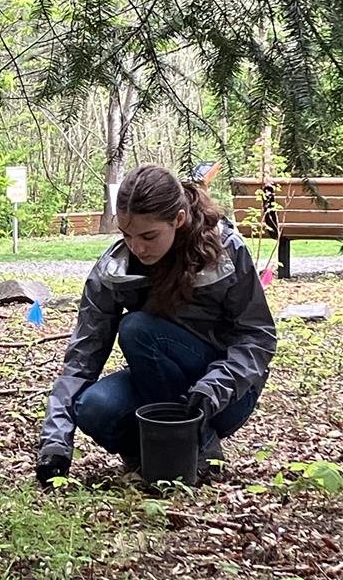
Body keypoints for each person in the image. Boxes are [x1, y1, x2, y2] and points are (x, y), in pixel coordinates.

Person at [36, 164, 277, 485]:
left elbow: (258, 337)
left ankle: (201, 447)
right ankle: (159, 454)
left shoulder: (226, 251)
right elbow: (82, 359)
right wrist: (55, 441)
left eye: (149, 235)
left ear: (178, 219)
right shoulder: (114, 268)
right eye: (127, 234)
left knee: (137, 329)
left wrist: (211, 390)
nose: (137, 247)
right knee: (93, 407)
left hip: (226, 396)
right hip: (159, 387)